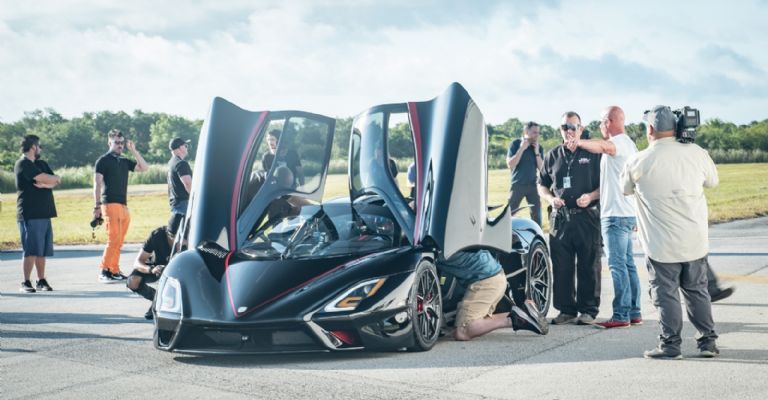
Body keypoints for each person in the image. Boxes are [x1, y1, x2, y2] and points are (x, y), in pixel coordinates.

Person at [622, 105, 719, 359]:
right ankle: (708, 342)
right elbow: (713, 181)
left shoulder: (639, 160)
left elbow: (625, 189)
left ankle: (671, 345)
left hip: (660, 245)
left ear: (650, 129)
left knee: (666, 295)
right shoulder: (697, 153)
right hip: (694, 240)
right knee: (697, 291)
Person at [568, 106, 642, 329]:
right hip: (626, 213)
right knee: (628, 264)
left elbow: (603, 146)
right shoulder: (630, 144)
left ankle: (621, 315)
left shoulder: (618, 143)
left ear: (608, 122)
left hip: (615, 216)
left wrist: (579, 142)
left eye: (601, 122)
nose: (600, 126)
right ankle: (634, 311)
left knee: (618, 266)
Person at [538, 111, 602, 325]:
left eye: (573, 127)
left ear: (581, 129)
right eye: (565, 127)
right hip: (560, 219)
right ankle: (566, 310)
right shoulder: (552, 155)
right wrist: (550, 199)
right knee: (561, 266)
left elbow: (608, 185)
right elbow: (541, 185)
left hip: (587, 217)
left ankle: (588, 310)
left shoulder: (593, 154)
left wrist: (591, 196)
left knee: (589, 265)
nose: (569, 131)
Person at [439, 250, 548, 341]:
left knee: (463, 331)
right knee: (466, 324)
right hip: (493, 276)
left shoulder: (438, 243)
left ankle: (516, 318)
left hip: (486, 282)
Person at [93, 129, 149, 283]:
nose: (120, 145)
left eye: (122, 143)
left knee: (119, 240)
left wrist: (134, 151)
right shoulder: (103, 161)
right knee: (113, 239)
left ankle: (114, 270)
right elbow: (97, 184)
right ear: (109, 143)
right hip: (109, 203)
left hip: (123, 205)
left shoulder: (124, 161)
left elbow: (144, 168)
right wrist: (96, 206)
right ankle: (104, 271)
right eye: (116, 142)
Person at [14, 135, 61, 293]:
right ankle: (26, 282)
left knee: (41, 250)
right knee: (31, 249)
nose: (40, 149)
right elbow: (42, 177)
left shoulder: (41, 163)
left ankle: (41, 280)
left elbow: (56, 180)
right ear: (33, 147)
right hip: (30, 214)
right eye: (39, 146)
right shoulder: (23, 164)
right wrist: (49, 180)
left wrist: (48, 184)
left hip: (44, 213)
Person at [126, 222, 179, 319]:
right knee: (132, 281)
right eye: (172, 236)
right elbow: (138, 262)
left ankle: (166, 303)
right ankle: (158, 299)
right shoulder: (157, 235)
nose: (175, 240)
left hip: (179, 269)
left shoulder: (192, 236)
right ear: (167, 232)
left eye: (179, 236)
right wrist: (151, 269)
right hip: (157, 267)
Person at [507, 121, 545, 226]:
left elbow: (542, 169)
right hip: (517, 185)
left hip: (533, 186)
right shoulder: (515, 144)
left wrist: (537, 152)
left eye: (538, 133)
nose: (537, 135)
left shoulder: (539, 147)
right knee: (509, 213)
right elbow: (510, 164)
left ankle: (537, 234)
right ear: (526, 132)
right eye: (534, 132)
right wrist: (522, 149)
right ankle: (507, 233)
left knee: (537, 215)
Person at [167, 137, 192, 236]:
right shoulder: (181, 163)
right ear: (180, 148)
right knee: (186, 237)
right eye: (185, 146)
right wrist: (195, 198)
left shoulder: (171, 162)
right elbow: (187, 183)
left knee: (178, 237)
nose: (186, 148)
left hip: (176, 203)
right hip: (183, 204)